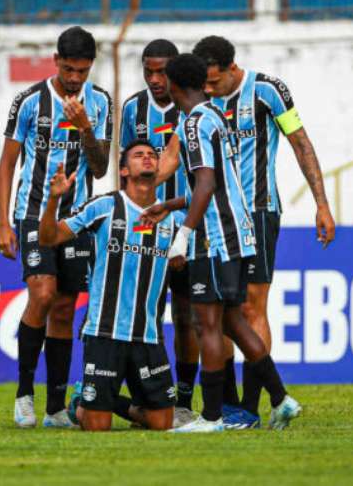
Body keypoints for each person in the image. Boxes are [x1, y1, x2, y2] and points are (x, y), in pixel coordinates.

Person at [148, 53, 300, 432]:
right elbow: (220, 182)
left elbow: (207, 183)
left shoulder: (196, 122)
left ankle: (213, 417)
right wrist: (170, 203)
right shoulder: (215, 115)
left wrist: (183, 234)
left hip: (214, 237)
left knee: (208, 325)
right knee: (232, 319)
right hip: (236, 232)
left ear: (174, 85)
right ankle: (281, 399)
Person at [192, 36, 335, 426]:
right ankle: (227, 405)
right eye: (203, 83)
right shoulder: (198, 101)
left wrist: (321, 204)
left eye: (214, 82)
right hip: (211, 217)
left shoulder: (268, 91)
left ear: (232, 68)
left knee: (252, 307)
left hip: (257, 212)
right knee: (218, 312)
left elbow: (300, 143)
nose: (208, 89)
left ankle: (252, 407)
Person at [0, 26, 112, 428]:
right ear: (55, 60)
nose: (75, 78)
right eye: (68, 69)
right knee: (42, 295)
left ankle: (55, 409)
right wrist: (2, 223)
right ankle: (24, 393)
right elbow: (8, 162)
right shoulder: (29, 101)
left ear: (90, 66)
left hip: (77, 218)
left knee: (64, 308)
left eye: (82, 70)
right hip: (33, 212)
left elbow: (100, 167)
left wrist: (85, 127)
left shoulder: (100, 102)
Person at [38, 140, 182, 431]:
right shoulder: (105, 206)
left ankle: (108, 401)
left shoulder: (173, 217)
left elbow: (209, 194)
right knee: (96, 427)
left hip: (148, 334)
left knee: (162, 423)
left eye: (152, 155)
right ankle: (84, 403)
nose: (147, 159)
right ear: (124, 170)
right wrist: (53, 199)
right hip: (104, 331)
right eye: (139, 155)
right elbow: (48, 238)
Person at [119, 39, 198, 428]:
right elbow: (124, 171)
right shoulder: (133, 108)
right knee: (147, 315)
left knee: (187, 317)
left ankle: (182, 399)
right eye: (148, 71)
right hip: (143, 230)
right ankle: (151, 397)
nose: (155, 79)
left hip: (185, 226)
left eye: (162, 71)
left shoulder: (193, 110)